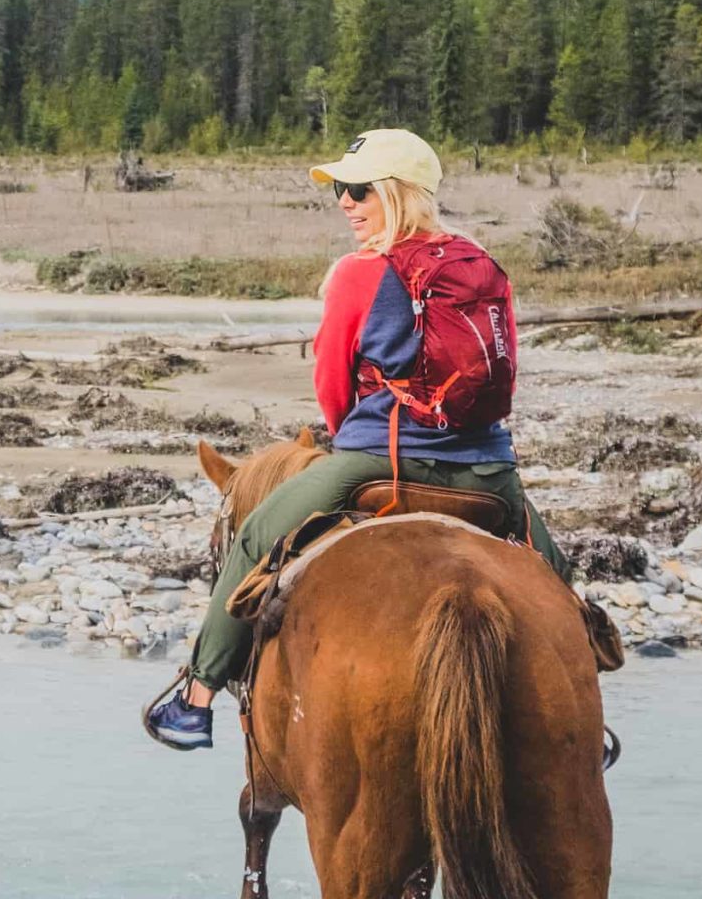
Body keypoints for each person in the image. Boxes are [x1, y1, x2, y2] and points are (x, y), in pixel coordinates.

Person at [144, 126, 570, 752]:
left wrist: (353, 439)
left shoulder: (360, 272)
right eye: (340, 190)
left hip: (379, 462)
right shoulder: (479, 264)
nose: (344, 201)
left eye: (357, 190)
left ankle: (197, 697)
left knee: (259, 534)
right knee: (556, 584)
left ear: (399, 193)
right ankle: (578, 723)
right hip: (488, 471)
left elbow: (332, 381)